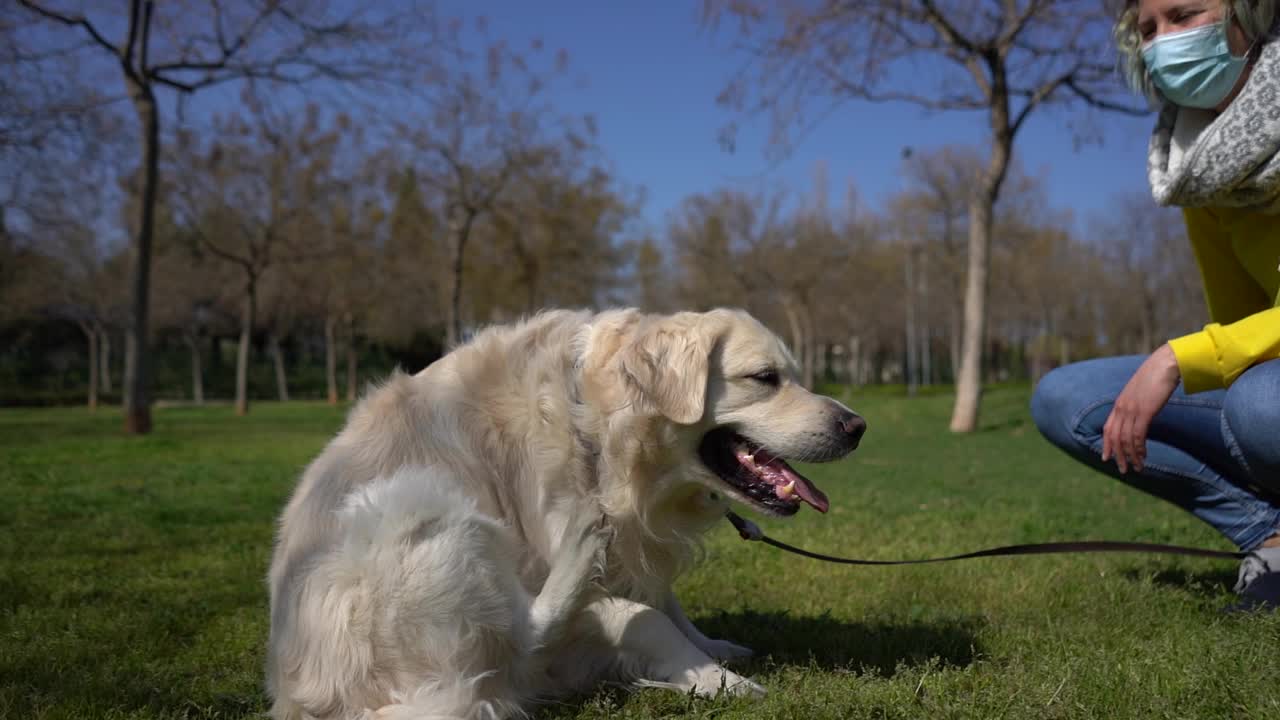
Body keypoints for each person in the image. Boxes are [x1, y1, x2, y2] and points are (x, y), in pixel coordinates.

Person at [1031, 0, 1280, 611]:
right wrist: (1200, 356)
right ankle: (1271, 537)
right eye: (1147, 29)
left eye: (1185, 15)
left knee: (1261, 403)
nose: (1163, 41)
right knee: (1069, 401)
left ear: (1250, 14)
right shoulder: (1200, 167)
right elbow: (1239, 321)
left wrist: (1177, 357)